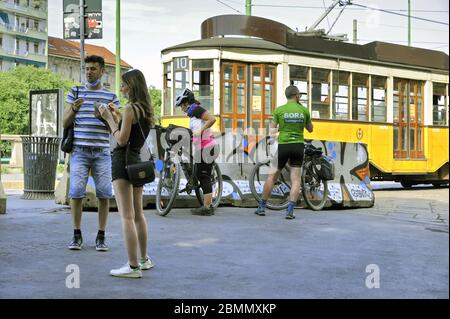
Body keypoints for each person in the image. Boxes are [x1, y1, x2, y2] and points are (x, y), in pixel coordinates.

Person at [98, 69, 155, 278]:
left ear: (131, 86)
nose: (121, 88)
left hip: (122, 161)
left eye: (123, 84)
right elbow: (132, 131)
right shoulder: (145, 109)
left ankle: (132, 267)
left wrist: (109, 119)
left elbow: (121, 140)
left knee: (126, 216)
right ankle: (144, 259)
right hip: (136, 161)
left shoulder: (131, 107)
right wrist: (119, 117)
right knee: (138, 215)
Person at [63, 55, 119, 251]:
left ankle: (101, 236)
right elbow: (64, 122)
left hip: (102, 151)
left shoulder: (111, 97)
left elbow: (117, 125)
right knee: (76, 192)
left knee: (104, 194)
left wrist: (106, 116)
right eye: (86, 69)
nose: (89, 72)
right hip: (79, 150)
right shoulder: (75, 92)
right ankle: (76, 234)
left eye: (93, 69)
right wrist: (73, 109)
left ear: (102, 71)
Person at [254, 85, 313, 220]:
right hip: (298, 146)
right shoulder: (304, 110)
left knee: (272, 177)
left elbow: (272, 132)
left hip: (284, 146)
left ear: (286, 96)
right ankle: (290, 210)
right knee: (296, 179)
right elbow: (310, 129)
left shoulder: (279, 110)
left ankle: (262, 207)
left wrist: (281, 128)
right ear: (297, 96)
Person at [175, 88, 218, 216]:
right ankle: (206, 204)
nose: (181, 109)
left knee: (204, 176)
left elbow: (212, 119)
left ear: (186, 103)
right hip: (202, 148)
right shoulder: (193, 114)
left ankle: (207, 207)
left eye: (181, 105)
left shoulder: (196, 109)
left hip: (208, 147)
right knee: (201, 175)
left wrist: (200, 131)